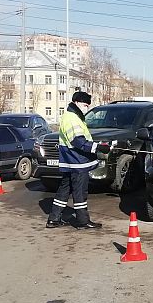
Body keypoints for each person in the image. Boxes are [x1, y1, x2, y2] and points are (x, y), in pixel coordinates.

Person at [46, 91, 111, 229]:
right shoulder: (72, 118)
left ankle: (54, 218)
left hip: (70, 161)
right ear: (76, 103)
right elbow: (78, 141)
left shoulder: (72, 116)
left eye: (88, 105)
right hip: (76, 161)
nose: (86, 108)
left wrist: (98, 146)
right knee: (80, 192)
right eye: (85, 105)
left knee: (64, 190)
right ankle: (83, 221)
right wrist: (97, 147)